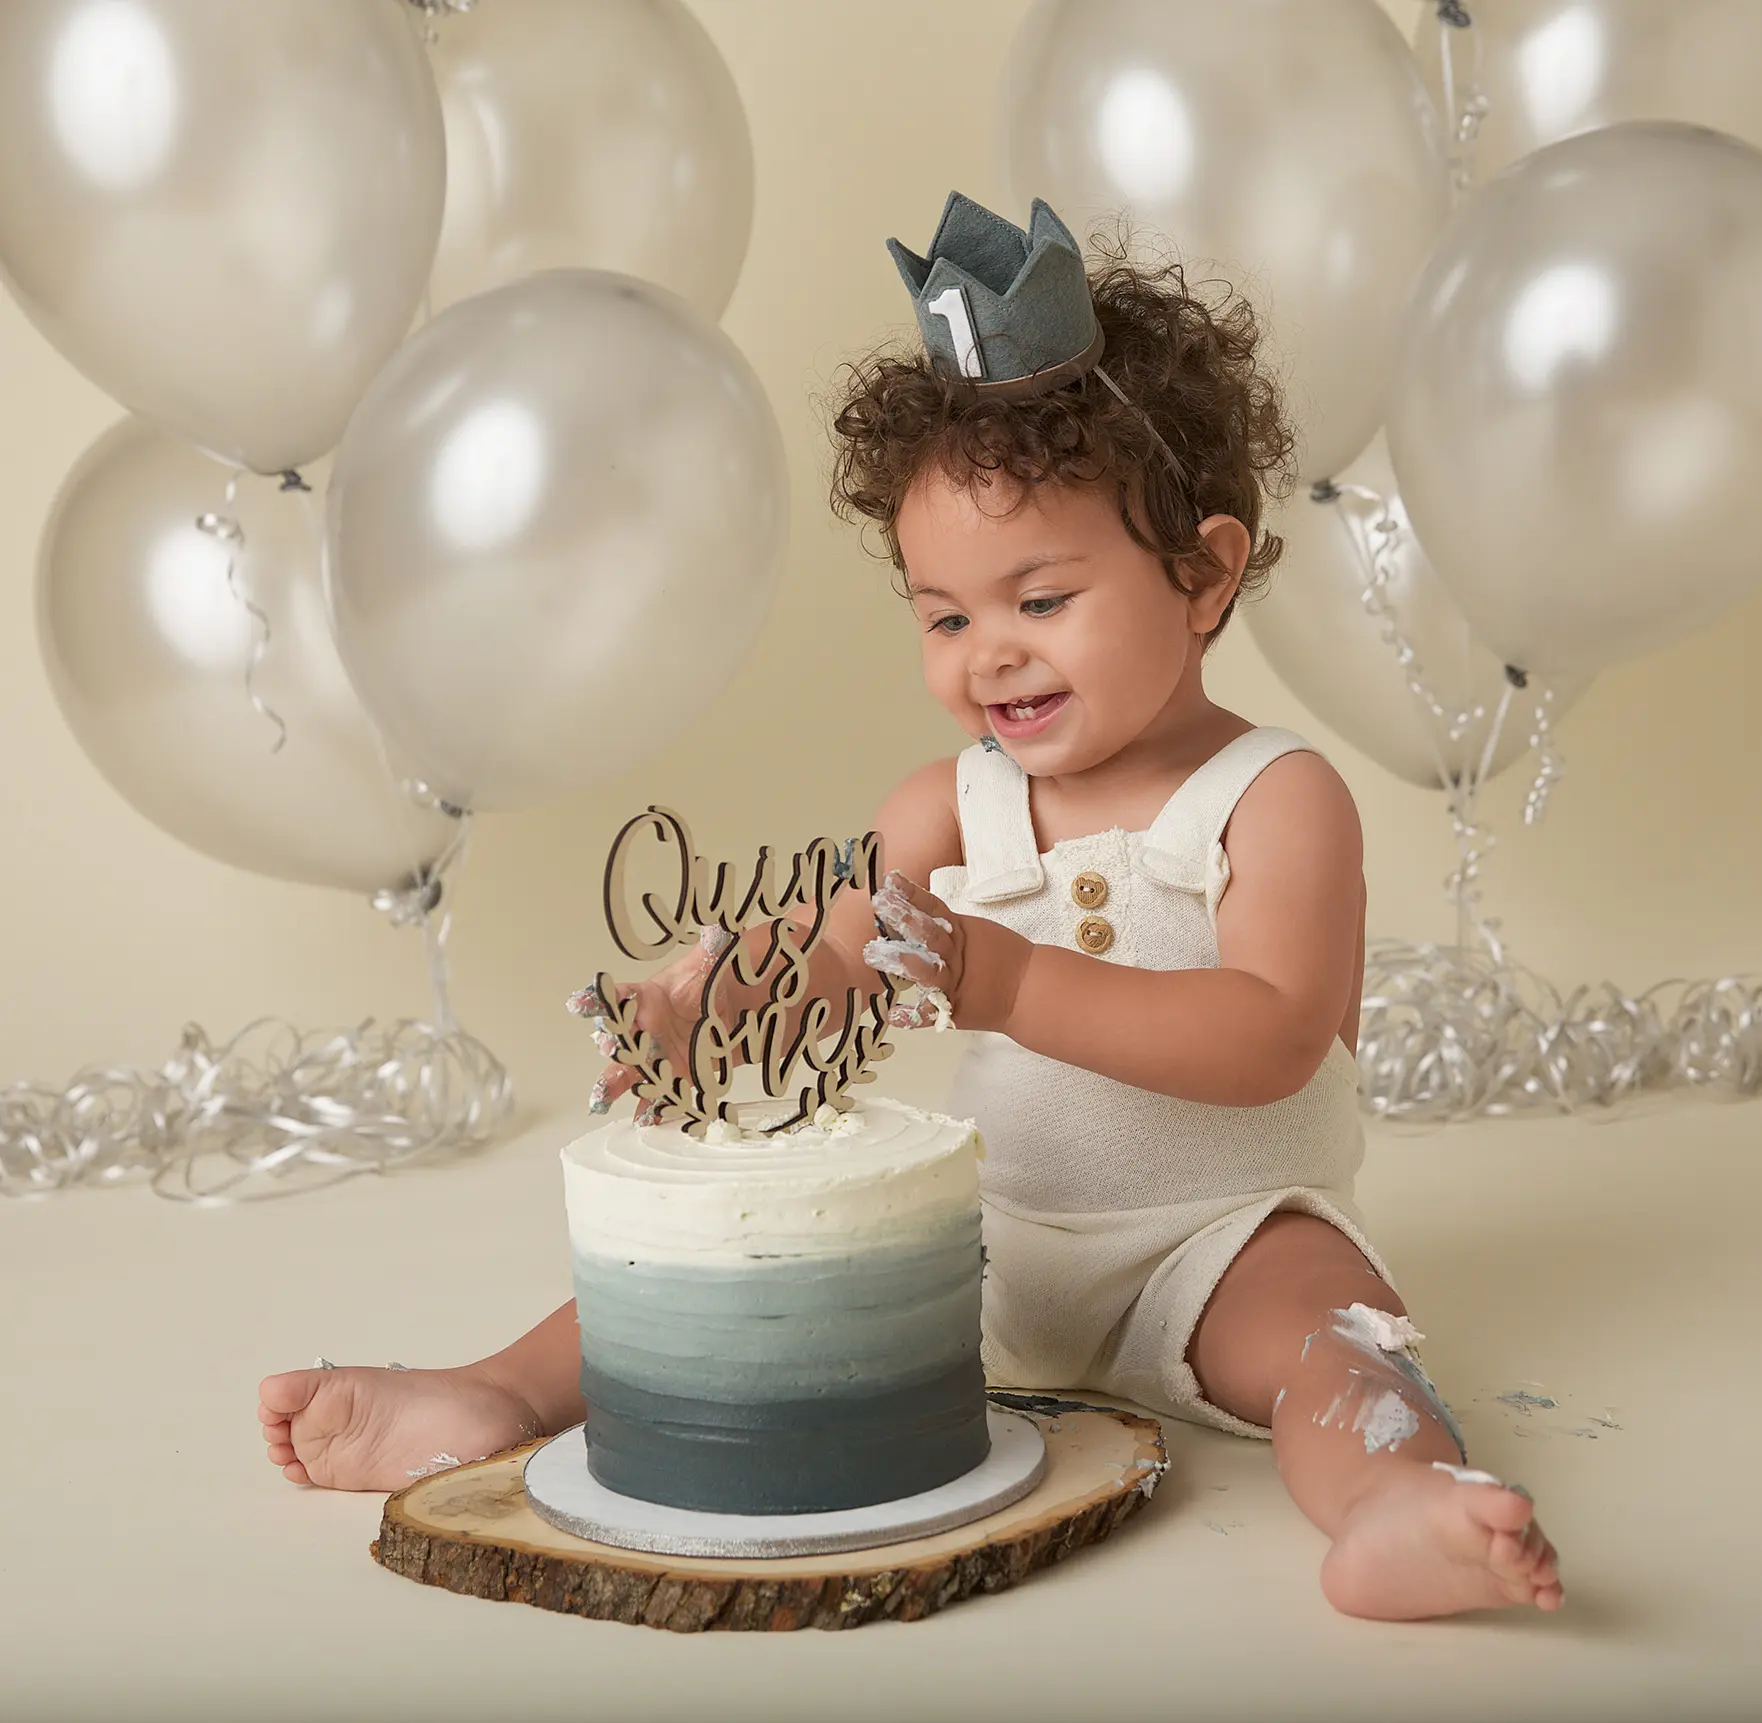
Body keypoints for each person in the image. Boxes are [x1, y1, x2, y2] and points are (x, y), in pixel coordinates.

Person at [258, 195, 1561, 1621]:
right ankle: (493, 1390)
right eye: (946, 616)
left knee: (1335, 1343)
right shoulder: (947, 808)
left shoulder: (1272, 795)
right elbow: (831, 958)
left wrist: (1010, 981)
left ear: (1203, 572)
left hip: (1225, 1230)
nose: (989, 655)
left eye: (1041, 600)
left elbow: (1270, 1038)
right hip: (988, 1240)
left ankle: (1395, 1503)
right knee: (760, 1270)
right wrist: (710, 1001)